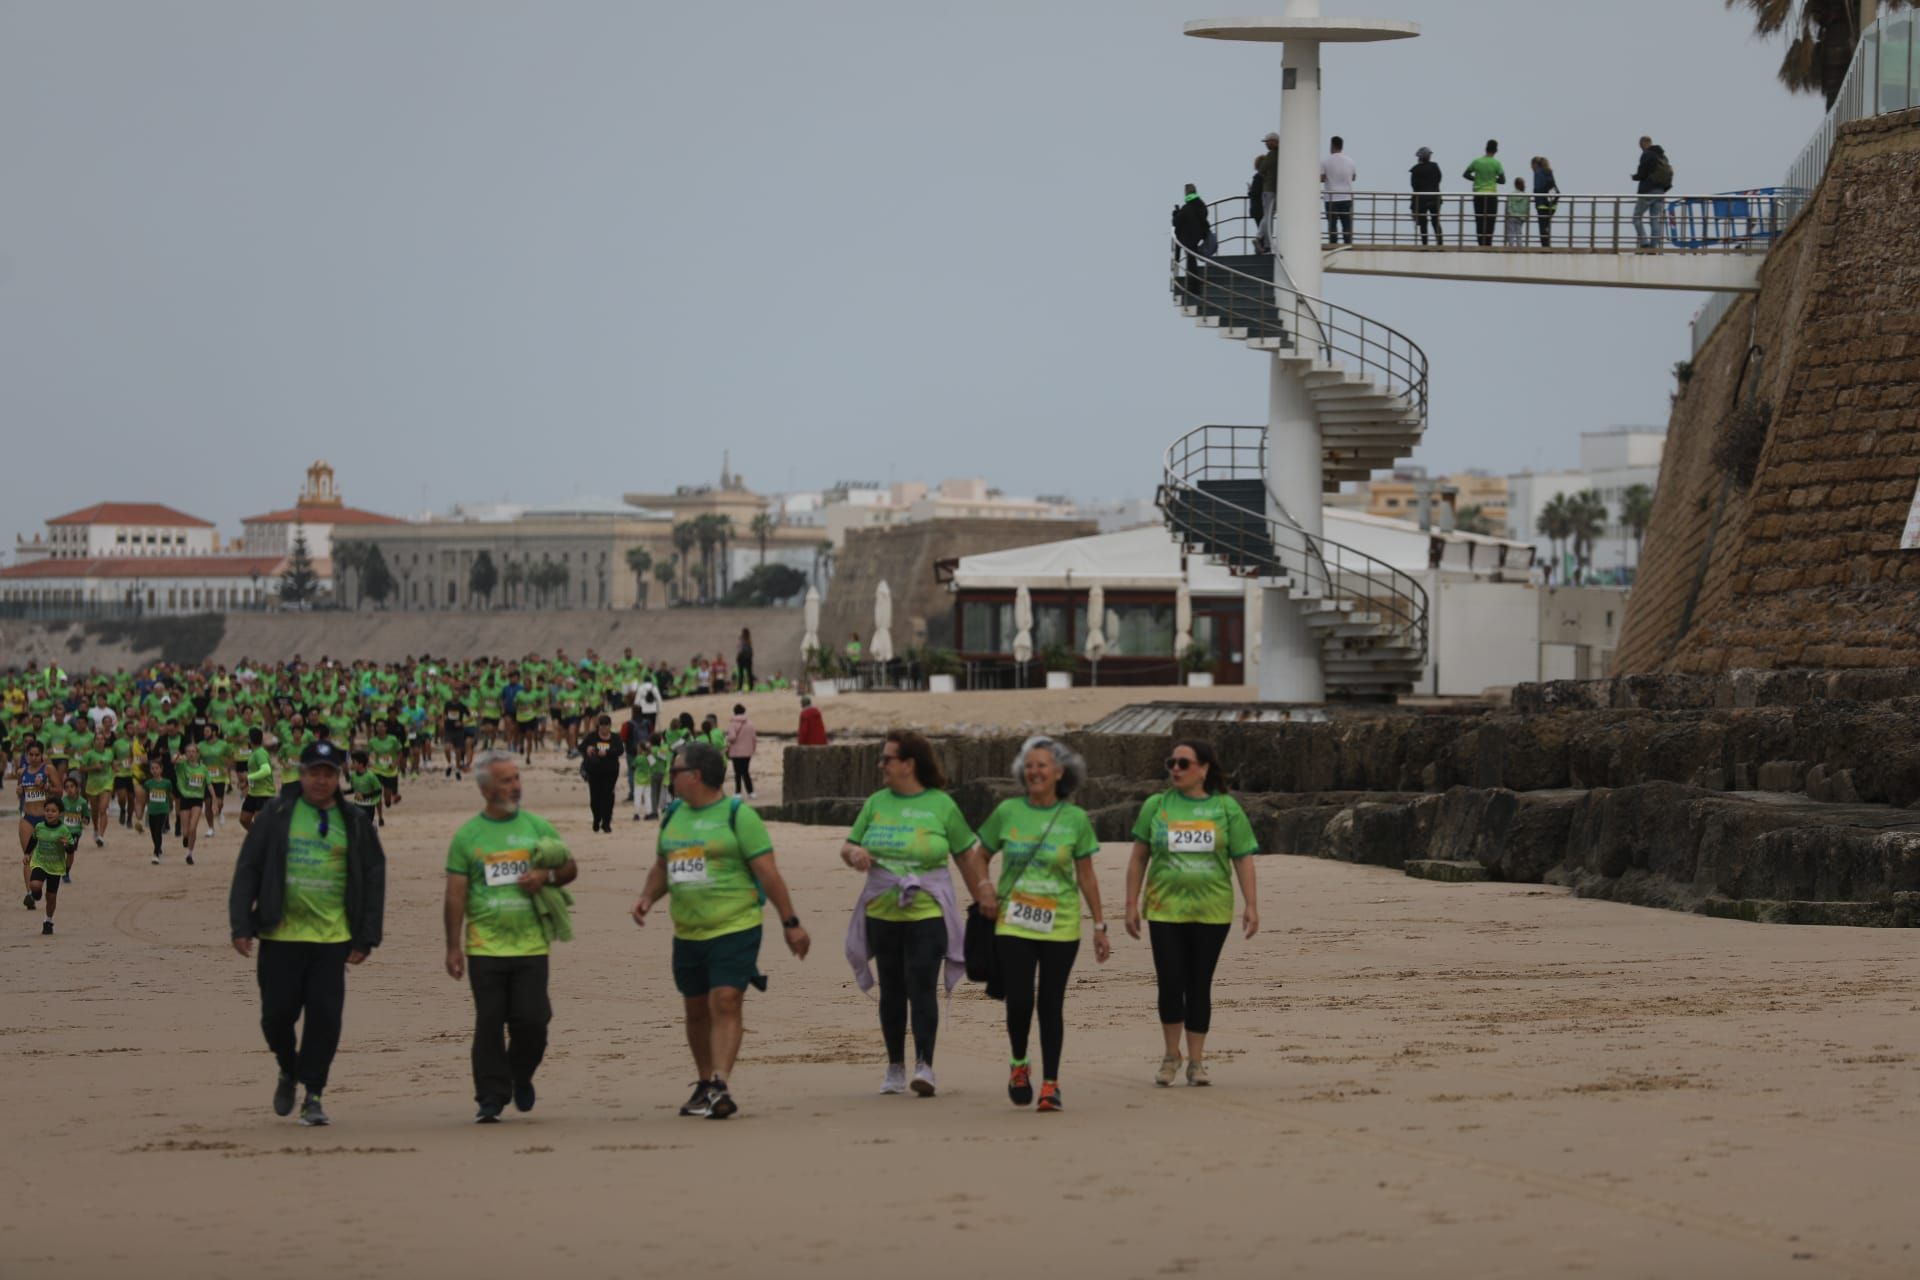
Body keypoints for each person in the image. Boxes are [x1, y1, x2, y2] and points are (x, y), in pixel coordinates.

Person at [632, 741, 810, 1121]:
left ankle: (720, 1082)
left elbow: (768, 873)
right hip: (689, 930)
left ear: (695, 776)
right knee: (695, 1008)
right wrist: (647, 898)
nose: (670, 776)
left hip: (736, 924)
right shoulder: (673, 815)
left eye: (675, 771)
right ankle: (703, 1084)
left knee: (726, 999)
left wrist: (790, 923)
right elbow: (664, 866)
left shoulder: (737, 816)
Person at [229, 740, 386, 1128]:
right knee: (276, 1017)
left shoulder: (353, 821)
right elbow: (249, 865)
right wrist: (240, 923)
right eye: (314, 772)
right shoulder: (277, 812)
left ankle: (313, 1094)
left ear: (339, 777)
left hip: (332, 939)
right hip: (280, 935)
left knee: (325, 1019)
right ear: (302, 774)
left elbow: (373, 875)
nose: (321, 780)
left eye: (329, 773)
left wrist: (366, 936)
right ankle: (288, 1067)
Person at [965, 736, 1107, 1113]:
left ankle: (1050, 1084)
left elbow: (1087, 876)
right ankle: (1018, 1064)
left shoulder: (1075, 818)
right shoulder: (1008, 811)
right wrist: (984, 887)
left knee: (1050, 1004)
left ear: (1060, 772)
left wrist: (1100, 925)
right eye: (1028, 765)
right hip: (1013, 920)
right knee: (1021, 999)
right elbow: (980, 856)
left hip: (1060, 923)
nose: (1034, 771)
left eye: (1042, 765)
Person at [445, 751, 578, 1123]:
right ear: (486, 789)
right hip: (485, 946)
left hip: (532, 944)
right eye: (506, 780)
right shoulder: (468, 836)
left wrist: (545, 877)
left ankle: (520, 1074)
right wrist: (453, 946)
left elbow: (569, 867)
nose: (516, 786)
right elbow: (455, 893)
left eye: (517, 778)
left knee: (533, 1021)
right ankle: (490, 1095)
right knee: (489, 1021)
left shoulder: (537, 827)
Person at [840, 732, 975, 1097]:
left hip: (928, 911)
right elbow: (849, 845)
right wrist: (855, 855)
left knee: (921, 985)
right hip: (882, 911)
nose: (881, 765)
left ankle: (925, 1066)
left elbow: (965, 855)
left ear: (908, 764)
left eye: (887, 758)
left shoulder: (941, 805)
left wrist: (984, 898)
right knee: (892, 989)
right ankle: (895, 1066)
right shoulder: (876, 803)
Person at [1125, 739, 1259, 1088]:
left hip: (1211, 910)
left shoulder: (1226, 808)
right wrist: (1129, 904)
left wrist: (1252, 904)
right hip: (1164, 908)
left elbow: (1242, 857)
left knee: (1199, 984)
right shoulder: (1156, 805)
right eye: (1171, 763)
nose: (1175, 769)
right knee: (1170, 982)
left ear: (1204, 768)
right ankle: (1172, 1055)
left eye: (1184, 763)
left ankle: (1197, 1061)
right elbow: (1139, 856)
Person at [24, 788, 76, 934]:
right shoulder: (39, 827)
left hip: (56, 867)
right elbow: (33, 840)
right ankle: (36, 894)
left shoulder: (64, 830)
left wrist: (68, 848)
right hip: (40, 862)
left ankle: (48, 921)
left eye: (53, 811)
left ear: (60, 813)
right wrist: (27, 853)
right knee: (34, 885)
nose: (49, 813)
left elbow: (71, 852)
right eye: (47, 810)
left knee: (51, 897)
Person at [580, 714, 622, 833]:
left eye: (606, 726)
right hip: (594, 772)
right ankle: (596, 818)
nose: (603, 729)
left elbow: (620, 750)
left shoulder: (615, 737)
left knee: (608, 797)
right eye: (601, 727)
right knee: (595, 799)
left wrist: (607, 753)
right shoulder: (592, 737)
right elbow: (581, 747)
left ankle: (606, 822)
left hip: (611, 772)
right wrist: (587, 749)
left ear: (610, 726)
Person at [1631, 135, 1672, 250]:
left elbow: (1642, 173)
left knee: (1636, 217)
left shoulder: (1647, 154)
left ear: (1643, 143)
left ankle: (1644, 242)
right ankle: (1654, 248)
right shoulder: (1662, 156)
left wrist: (1635, 177)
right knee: (1654, 219)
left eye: (1640, 145)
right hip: (1660, 191)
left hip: (1648, 190)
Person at [1464, 139, 1506, 247]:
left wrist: (1476, 179)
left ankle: (1480, 243)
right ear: (1496, 150)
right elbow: (1503, 180)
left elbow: (1466, 174)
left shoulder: (1477, 161)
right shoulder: (1496, 163)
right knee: (1490, 219)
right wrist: (1493, 179)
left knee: (1479, 219)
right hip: (1491, 194)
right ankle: (1488, 243)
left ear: (1485, 148)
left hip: (1478, 194)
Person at [1172, 184, 1217, 280]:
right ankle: (1196, 279)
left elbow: (1176, 222)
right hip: (1199, 235)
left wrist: (1176, 214)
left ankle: (1193, 284)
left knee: (1191, 261)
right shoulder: (1201, 205)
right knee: (1195, 257)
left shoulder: (1186, 208)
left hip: (1189, 238)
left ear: (1186, 193)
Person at [174, 740, 208, 865]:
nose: (191, 754)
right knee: (186, 831)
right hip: (185, 798)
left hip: (198, 799)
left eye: (193, 752)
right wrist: (178, 756)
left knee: (193, 827)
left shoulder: (203, 768)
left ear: (198, 754)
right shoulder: (182, 765)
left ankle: (190, 853)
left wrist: (214, 799)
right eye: (188, 752)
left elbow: (208, 784)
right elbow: (174, 761)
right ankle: (185, 837)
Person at [1321, 135, 1357, 245]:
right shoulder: (1350, 161)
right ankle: (1348, 243)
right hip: (1347, 197)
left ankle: (1333, 244)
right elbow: (1354, 177)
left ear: (1332, 145)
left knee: (1332, 224)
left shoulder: (1325, 161)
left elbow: (1321, 178)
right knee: (1346, 223)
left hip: (1331, 198)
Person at [240, 727, 276, 831]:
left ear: (250, 740)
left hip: (264, 793)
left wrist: (248, 777)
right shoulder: (254, 753)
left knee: (260, 822)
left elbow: (266, 770)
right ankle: (258, 838)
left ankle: (263, 842)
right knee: (244, 819)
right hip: (253, 793)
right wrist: (247, 783)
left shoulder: (260, 753)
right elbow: (255, 773)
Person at [1409, 146, 1443, 246]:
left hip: (1421, 200)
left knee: (1423, 223)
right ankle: (1440, 243)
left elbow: (1414, 187)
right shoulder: (1435, 166)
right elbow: (1438, 179)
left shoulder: (1415, 170)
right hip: (1435, 198)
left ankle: (1425, 244)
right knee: (1435, 221)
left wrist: (1412, 206)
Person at [723, 704, 757, 798]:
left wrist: (727, 738)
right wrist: (753, 749)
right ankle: (751, 792)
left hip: (736, 752)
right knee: (746, 772)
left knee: (737, 773)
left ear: (734, 712)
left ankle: (738, 792)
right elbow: (754, 738)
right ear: (744, 711)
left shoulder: (732, 724)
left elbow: (732, 738)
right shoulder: (750, 724)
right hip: (747, 752)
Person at [143, 757, 173, 865]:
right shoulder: (148, 783)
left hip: (163, 810)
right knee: (153, 831)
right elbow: (146, 796)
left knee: (158, 830)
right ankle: (158, 847)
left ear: (161, 769)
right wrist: (146, 807)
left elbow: (170, 795)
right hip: (152, 810)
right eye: (152, 768)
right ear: (150, 770)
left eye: (157, 768)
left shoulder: (167, 783)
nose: (155, 770)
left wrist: (170, 806)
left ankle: (155, 853)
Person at [1254, 131, 1279, 252]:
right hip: (1275, 190)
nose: (1266, 145)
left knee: (1268, 216)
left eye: (1267, 142)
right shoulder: (1282, 154)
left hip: (1269, 190)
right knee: (1269, 216)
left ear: (1274, 142)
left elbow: (1262, 169)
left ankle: (1261, 238)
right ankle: (1266, 242)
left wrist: (1266, 177)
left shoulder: (1272, 155)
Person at [1531, 155, 1561, 247]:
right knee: (1547, 226)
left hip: (1542, 204)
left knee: (1543, 227)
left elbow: (1537, 189)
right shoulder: (1549, 172)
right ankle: (1547, 244)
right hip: (1552, 205)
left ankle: (1545, 246)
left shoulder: (1538, 173)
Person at [1504, 177, 1530, 247]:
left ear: (1515, 185)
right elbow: (1527, 208)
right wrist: (1525, 216)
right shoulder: (1526, 196)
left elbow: (1509, 207)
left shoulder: (1511, 195)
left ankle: (1511, 246)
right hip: (1521, 217)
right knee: (1519, 233)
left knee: (1510, 233)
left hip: (1512, 216)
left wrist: (1510, 213)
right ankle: (1519, 245)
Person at [735, 628, 755, 692]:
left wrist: (738, 657)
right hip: (747, 659)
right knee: (749, 674)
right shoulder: (749, 640)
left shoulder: (742, 639)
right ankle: (751, 688)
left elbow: (739, 649)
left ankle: (740, 689)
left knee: (741, 674)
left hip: (742, 658)